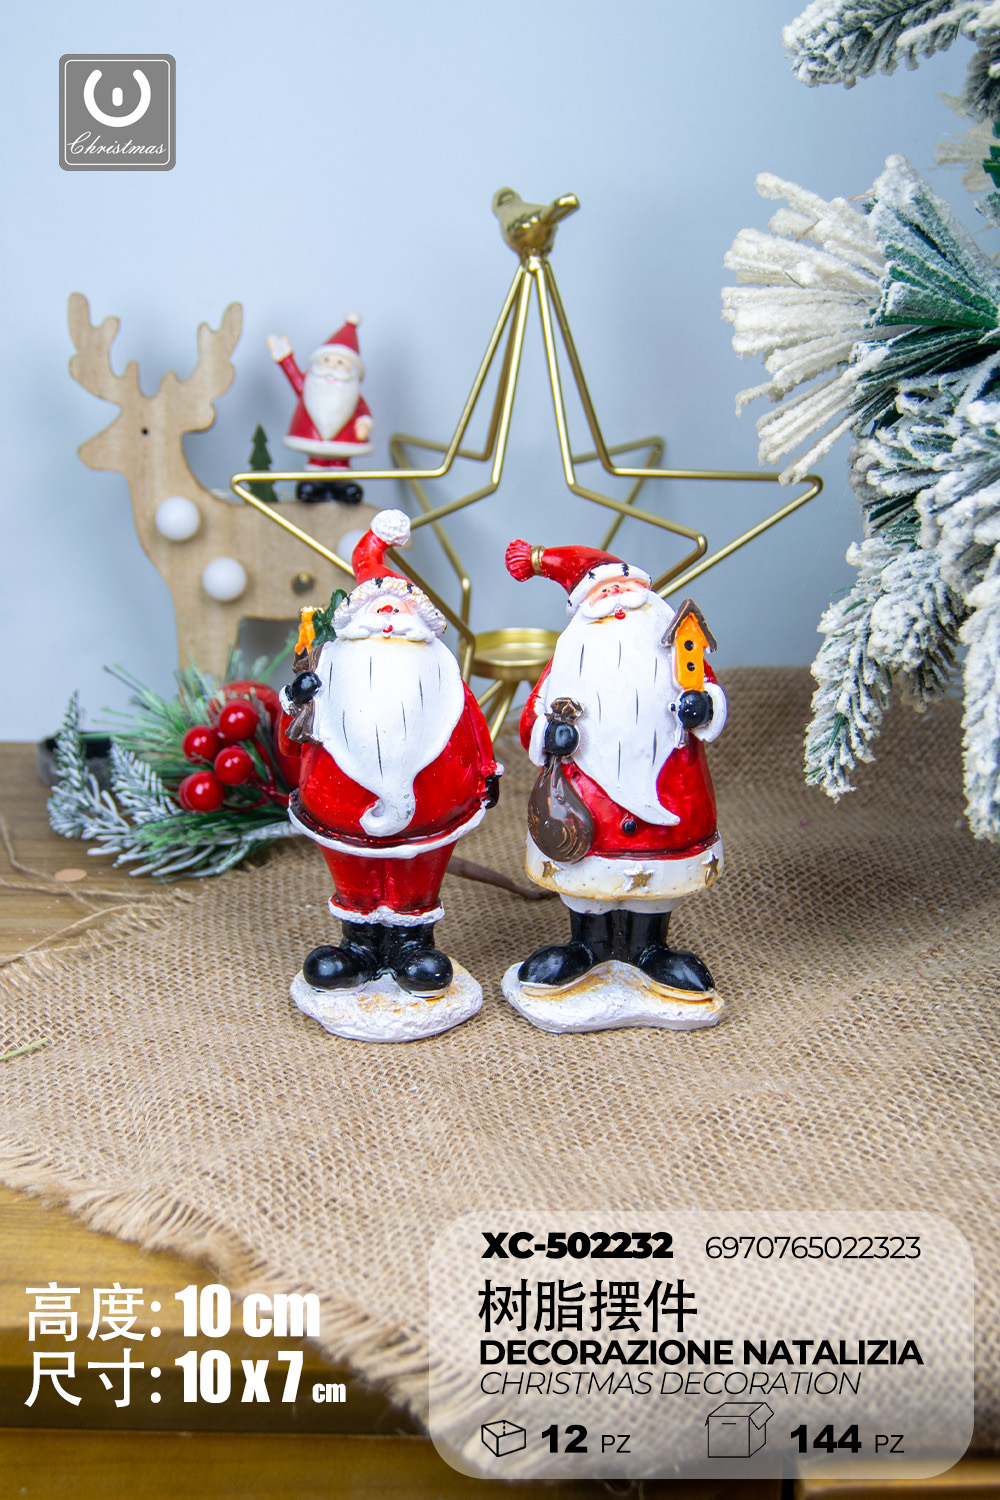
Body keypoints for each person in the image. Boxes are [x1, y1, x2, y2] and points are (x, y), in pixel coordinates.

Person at [280, 510, 500, 999]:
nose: (387, 618)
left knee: (416, 875)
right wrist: (296, 698)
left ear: (421, 621)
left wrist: (487, 773)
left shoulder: (440, 673)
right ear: (352, 621)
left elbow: (472, 725)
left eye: (397, 611)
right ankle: (358, 947)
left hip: (431, 810)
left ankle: (411, 946)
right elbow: (292, 740)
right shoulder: (328, 669)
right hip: (339, 809)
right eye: (377, 610)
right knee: (353, 875)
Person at [505, 537, 726, 1004]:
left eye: (626, 588)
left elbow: (706, 687)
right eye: (603, 593)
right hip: (586, 803)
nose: (618, 599)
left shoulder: (675, 649)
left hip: (668, 793)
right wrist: (550, 733)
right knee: (587, 878)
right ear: (582, 609)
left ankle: (650, 949)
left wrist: (703, 706)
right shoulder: (569, 659)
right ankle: (588, 945)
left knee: (658, 883)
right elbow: (532, 717)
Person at [266, 314, 372, 502]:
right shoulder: (309, 387)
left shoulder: (352, 396)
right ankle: (313, 487)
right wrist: (284, 356)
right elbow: (293, 376)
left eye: (340, 363)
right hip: (313, 440)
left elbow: (363, 412)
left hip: (343, 443)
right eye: (327, 360)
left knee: (340, 467)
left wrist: (364, 424)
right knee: (316, 464)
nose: (332, 367)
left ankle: (343, 488)